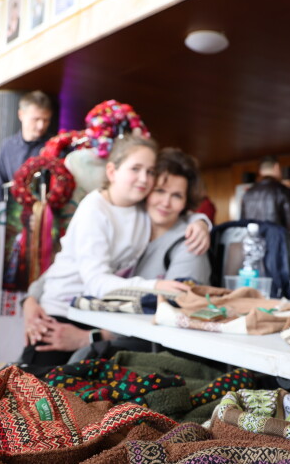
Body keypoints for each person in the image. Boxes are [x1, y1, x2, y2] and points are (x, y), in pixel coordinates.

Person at [21, 137, 210, 366]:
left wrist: (201, 222)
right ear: (112, 171)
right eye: (159, 190)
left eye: (177, 196)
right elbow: (78, 268)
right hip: (62, 312)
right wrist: (31, 299)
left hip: (109, 326)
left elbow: (176, 314)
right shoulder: (107, 210)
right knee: (31, 381)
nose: (165, 202)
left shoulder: (177, 234)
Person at [0, 90, 56, 200]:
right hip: (14, 208)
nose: (41, 126)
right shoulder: (7, 147)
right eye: (36, 119)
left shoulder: (54, 145)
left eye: (46, 120)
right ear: (21, 115)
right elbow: (0, 186)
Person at [240, 155, 290, 230]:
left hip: (253, 237)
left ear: (260, 171)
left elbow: (242, 224)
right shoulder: (283, 190)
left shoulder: (247, 193)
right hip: (277, 237)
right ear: (276, 167)